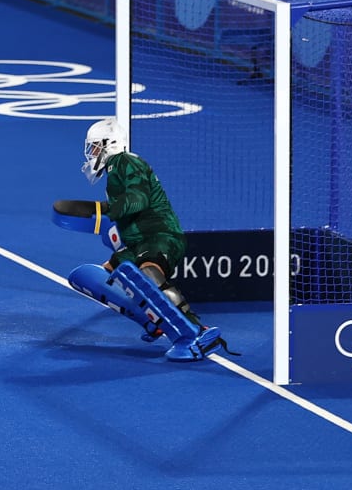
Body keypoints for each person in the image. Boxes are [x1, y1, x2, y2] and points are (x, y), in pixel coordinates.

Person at [54, 117, 230, 362]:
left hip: (159, 235)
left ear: (109, 144)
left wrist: (105, 210)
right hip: (137, 243)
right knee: (99, 278)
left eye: (94, 147)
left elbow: (138, 200)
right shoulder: (115, 171)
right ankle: (152, 320)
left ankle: (196, 332)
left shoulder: (126, 162)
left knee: (148, 274)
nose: (92, 153)